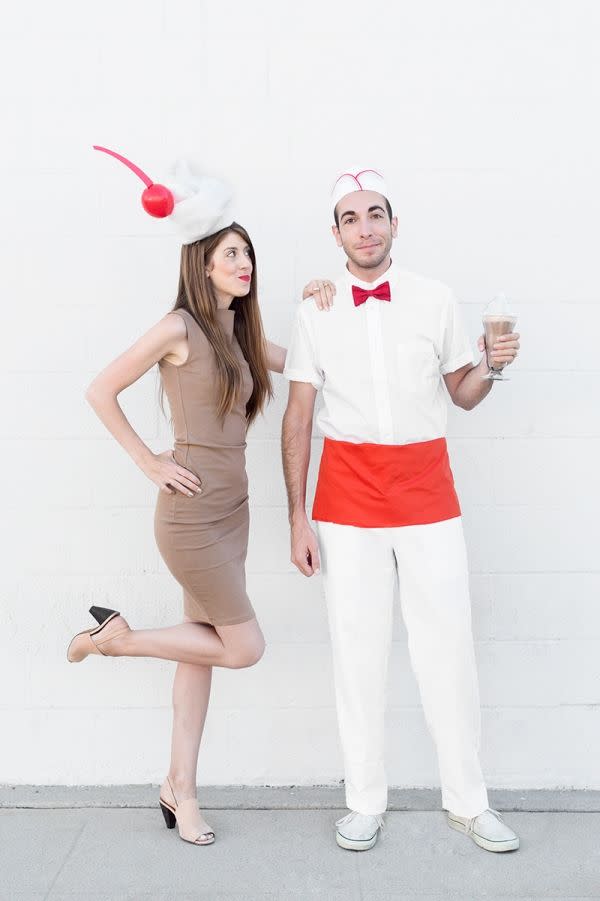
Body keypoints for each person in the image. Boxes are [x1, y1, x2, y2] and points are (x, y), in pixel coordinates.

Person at [67, 147, 331, 847]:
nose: (244, 263)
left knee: (201, 652)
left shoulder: (241, 334)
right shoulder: (179, 326)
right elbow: (100, 387)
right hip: (188, 516)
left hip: (232, 515)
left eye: (248, 253)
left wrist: (319, 299)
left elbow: (311, 357)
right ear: (202, 261)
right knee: (243, 647)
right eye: (231, 253)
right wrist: (148, 459)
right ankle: (116, 640)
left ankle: (178, 787)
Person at [281, 166, 521, 854]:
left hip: (427, 495)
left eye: (376, 214)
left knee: (448, 649)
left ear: (393, 223)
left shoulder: (435, 298)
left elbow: (464, 393)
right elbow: (297, 419)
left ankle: (469, 802)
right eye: (351, 218)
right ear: (335, 233)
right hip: (347, 501)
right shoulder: (314, 309)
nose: (365, 227)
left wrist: (493, 365)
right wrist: (297, 516)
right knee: (357, 653)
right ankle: (364, 800)